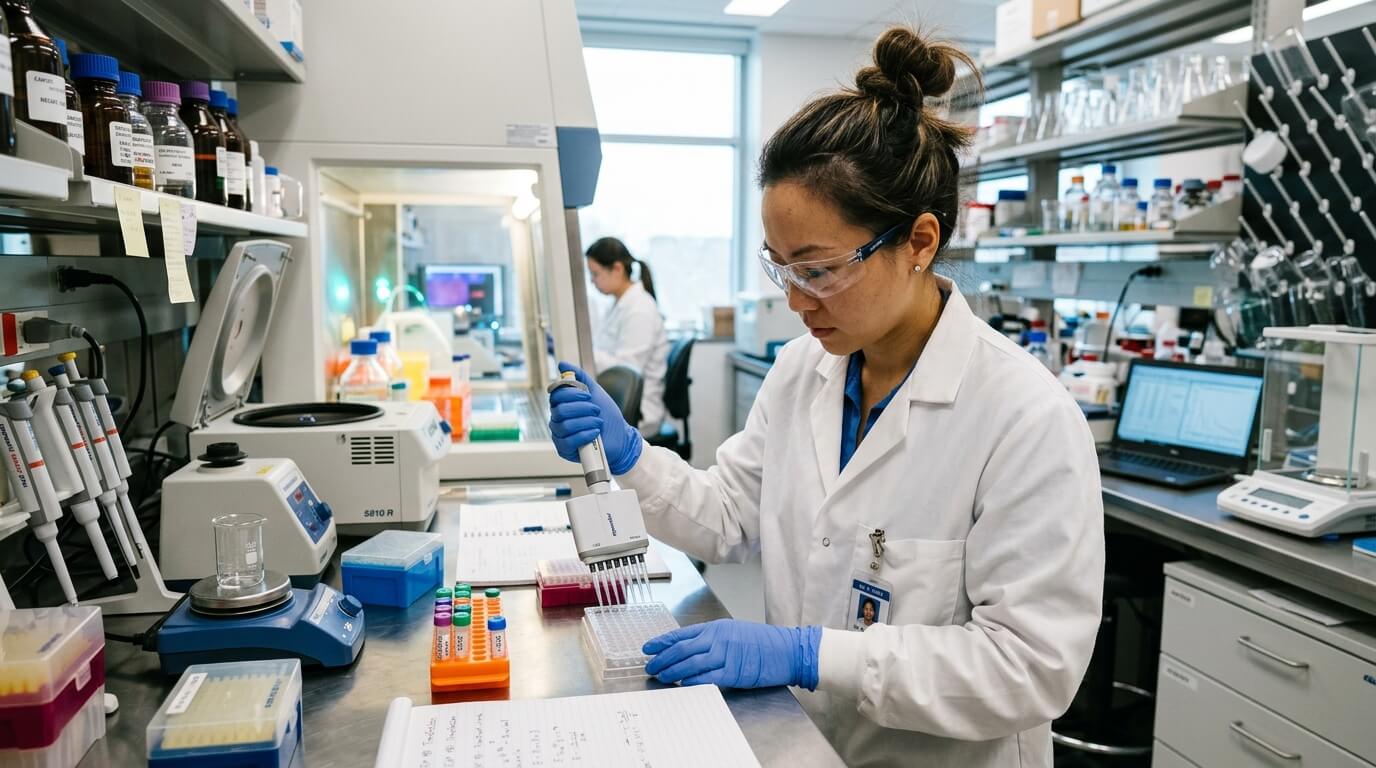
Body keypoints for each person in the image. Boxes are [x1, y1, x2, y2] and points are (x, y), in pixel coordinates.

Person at [549, 27, 1103, 768]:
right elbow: (727, 518)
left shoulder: (1024, 417)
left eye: (820, 269)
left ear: (920, 241)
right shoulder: (803, 371)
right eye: (782, 269)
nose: (796, 300)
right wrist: (631, 459)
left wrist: (815, 655)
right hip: (800, 747)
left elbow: (1030, 669)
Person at [585, 237, 669, 435]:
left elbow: (625, 372)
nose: (592, 281)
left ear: (617, 269)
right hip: (617, 404)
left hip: (638, 412)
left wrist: (586, 353)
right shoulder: (619, 304)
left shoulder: (640, 310)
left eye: (595, 274)